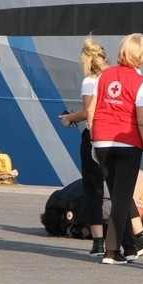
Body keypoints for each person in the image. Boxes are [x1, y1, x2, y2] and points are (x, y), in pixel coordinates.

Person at [87, 33, 143, 264]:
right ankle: (111, 250)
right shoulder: (141, 83)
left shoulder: (105, 75)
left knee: (117, 194)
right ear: (142, 55)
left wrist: (94, 140)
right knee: (122, 198)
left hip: (103, 141)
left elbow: (92, 110)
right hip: (127, 143)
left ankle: (129, 247)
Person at [60, 38, 110, 257]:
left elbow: (89, 111)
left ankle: (98, 241)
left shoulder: (90, 81)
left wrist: (68, 118)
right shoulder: (114, 78)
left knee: (94, 190)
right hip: (117, 139)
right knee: (119, 189)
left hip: (95, 139)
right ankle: (131, 237)